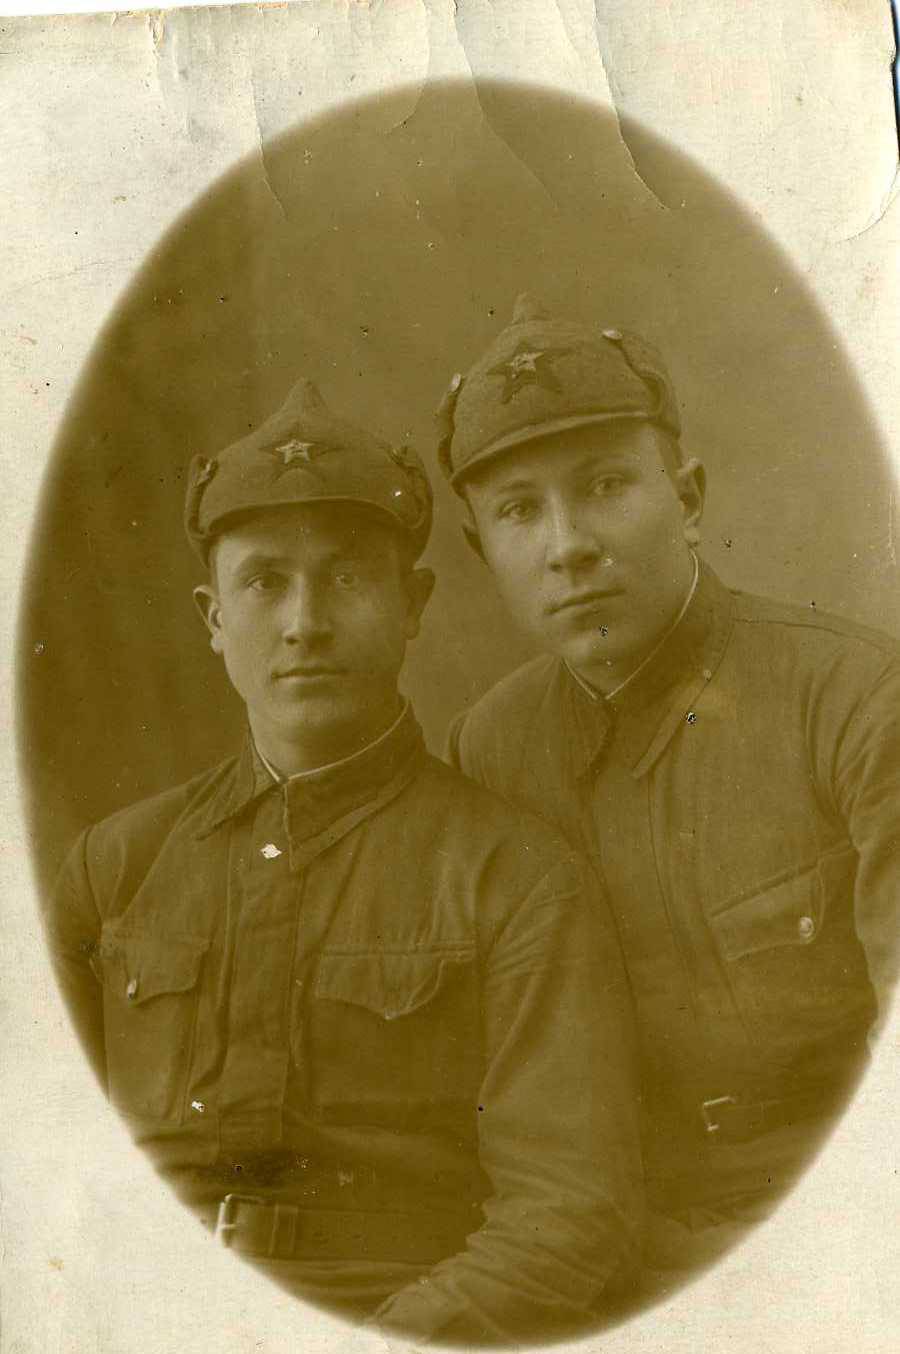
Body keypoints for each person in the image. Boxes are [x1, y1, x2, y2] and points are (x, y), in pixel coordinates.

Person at [43, 374, 643, 1345]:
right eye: (263, 582)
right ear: (210, 616)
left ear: (413, 605)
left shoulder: (513, 874)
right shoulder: (116, 865)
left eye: (349, 578)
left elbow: (569, 1215)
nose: (304, 622)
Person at [439, 293, 900, 1287]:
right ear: (481, 553)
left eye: (605, 485)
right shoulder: (491, 748)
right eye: (519, 510)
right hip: (610, 1251)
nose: (567, 544)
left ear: (687, 498)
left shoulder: (856, 697)